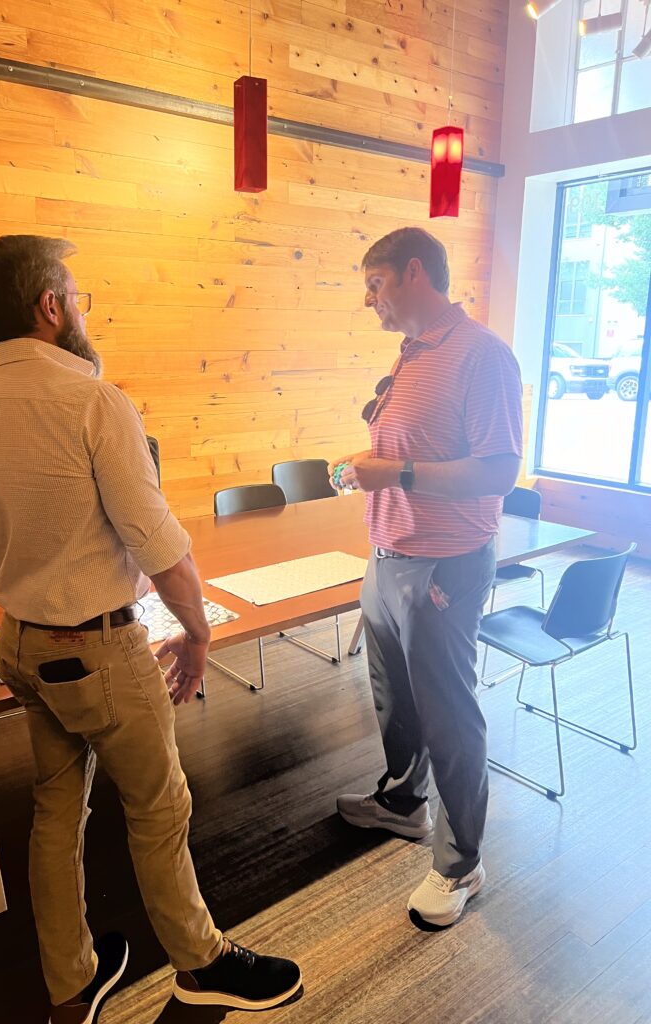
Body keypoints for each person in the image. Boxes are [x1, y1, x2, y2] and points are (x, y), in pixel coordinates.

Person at [0, 235, 301, 1023]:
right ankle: (201, 965)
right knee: (160, 807)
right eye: (75, 295)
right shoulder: (94, 403)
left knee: (55, 812)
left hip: (22, 645)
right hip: (97, 650)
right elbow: (158, 543)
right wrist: (197, 632)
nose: (80, 308)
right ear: (49, 306)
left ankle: (70, 987)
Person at [331, 227, 523, 929]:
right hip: (387, 556)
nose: (368, 300)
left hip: (443, 564)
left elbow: (499, 471)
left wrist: (396, 472)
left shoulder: (482, 355)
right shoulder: (413, 352)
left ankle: (462, 863)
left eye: (375, 284)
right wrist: (373, 466)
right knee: (395, 702)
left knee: (448, 715)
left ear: (414, 274)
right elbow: (419, 448)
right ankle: (404, 801)